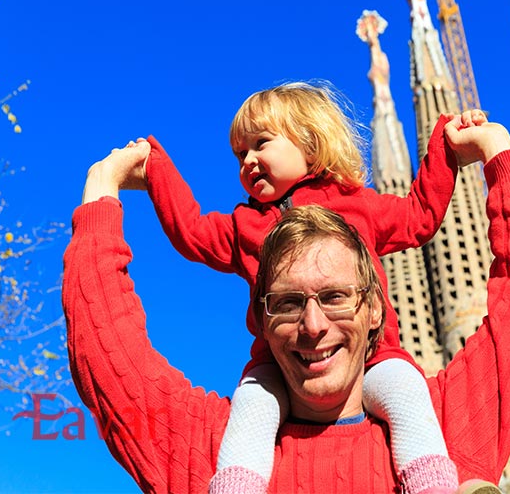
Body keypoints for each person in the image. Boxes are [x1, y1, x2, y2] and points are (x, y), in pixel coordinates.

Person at [63, 114, 510, 493]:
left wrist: (494, 154)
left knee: (405, 391)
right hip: (252, 423)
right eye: (285, 302)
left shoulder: (448, 427)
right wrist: (104, 192)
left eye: (335, 297)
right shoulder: (214, 453)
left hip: (396, 382)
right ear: (261, 317)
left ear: (375, 307)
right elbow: (108, 357)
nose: (312, 325)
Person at [138, 82, 465, 493]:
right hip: (279, 368)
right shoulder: (246, 225)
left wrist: (446, 145)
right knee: (251, 408)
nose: (249, 161)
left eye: (260, 144)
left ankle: (432, 487)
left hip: (374, 356)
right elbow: (191, 232)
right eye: (240, 154)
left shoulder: (356, 203)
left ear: (310, 142)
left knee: (407, 394)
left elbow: (420, 214)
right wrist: (156, 170)